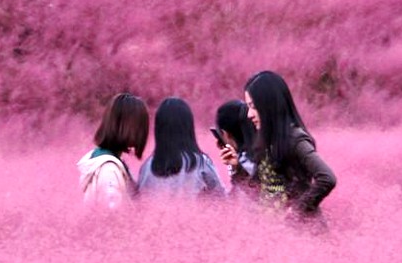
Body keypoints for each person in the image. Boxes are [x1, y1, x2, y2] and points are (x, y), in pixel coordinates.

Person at [244, 70, 336, 217]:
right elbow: (259, 189)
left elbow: (327, 178)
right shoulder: (265, 141)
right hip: (274, 233)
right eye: (248, 107)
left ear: (270, 106)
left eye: (253, 106)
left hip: (304, 235)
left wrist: (295, 212)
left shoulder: (294, 139)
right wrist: (235, 166)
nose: (249, 114)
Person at [138, 97, 225, 196]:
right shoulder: (201, 163)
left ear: (159, 130)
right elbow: (222, 198)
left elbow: (140, 202)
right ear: (189, 127)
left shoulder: (147, 167)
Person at [77, 93, 150, 209]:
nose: (143, 133)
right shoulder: (109, 170)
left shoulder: (102, 159)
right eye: (140, 127)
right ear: (127, 128)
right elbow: (112, 217)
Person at [214, 98, 258, 190]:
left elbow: (240, 196)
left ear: (225, 133)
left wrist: (235, 168)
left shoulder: (243, 161)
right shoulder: (262, 152)